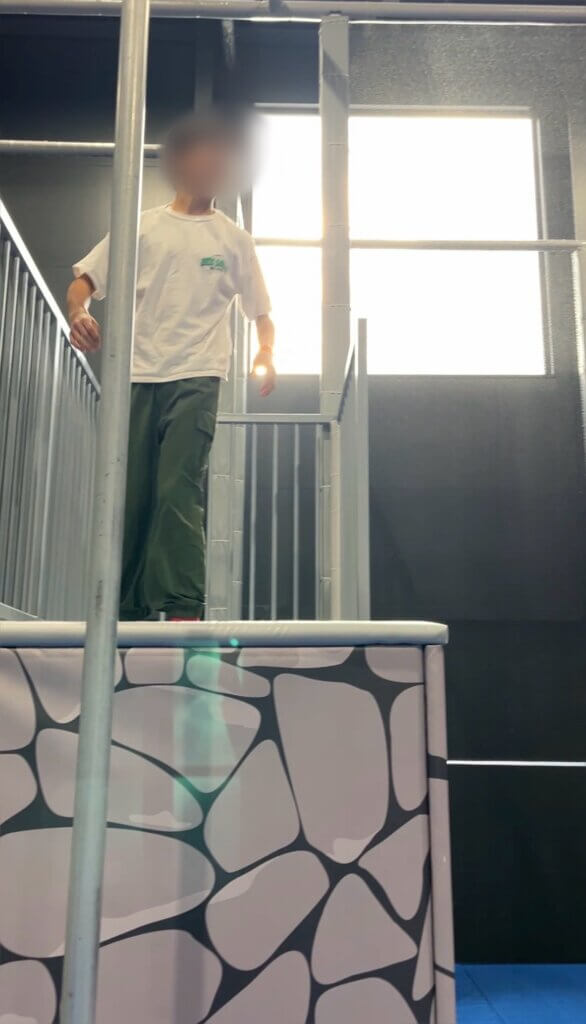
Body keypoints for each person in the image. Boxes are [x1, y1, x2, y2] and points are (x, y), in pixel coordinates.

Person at [67, 108, 275, 622]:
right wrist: (79, 312)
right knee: (133, 495)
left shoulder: (234, 240)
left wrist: (266, 352)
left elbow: (262, 313)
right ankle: (127, 613)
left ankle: (183, 606)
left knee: (177, 487)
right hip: (137, 376)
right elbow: (84, 281)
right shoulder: (142, 227)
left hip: (198, 376)